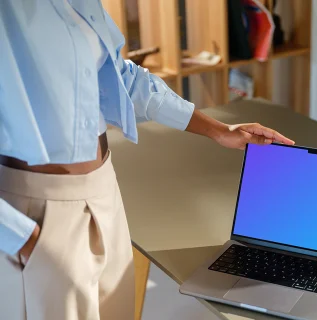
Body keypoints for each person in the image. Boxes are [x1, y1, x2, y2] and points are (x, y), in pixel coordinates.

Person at [0, 1, 294, 319]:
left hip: (103, 195)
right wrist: (23, 240)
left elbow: (120, 76)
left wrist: (221, 131)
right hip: (35, 214)